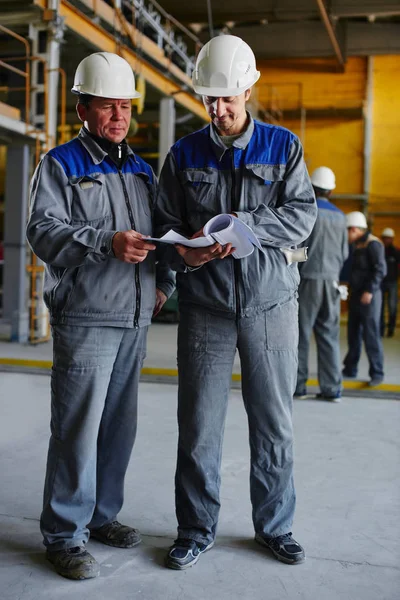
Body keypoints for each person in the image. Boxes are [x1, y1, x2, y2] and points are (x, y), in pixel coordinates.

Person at [155, 34, 317, 569]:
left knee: (273, 420)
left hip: (271, 305)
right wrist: (186, 256)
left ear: (249, 88)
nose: (218, 109)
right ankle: (196, 528)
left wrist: (249, 223)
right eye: (210, 99)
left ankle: (275, 527)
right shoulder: (183, 154)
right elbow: (165, 226)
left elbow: (301, 214)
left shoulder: (284, 147)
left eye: (227, 98)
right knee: (199, 424)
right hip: (206, 307)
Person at [26, 52, 175, 580]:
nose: (118, 116)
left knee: (118, 428)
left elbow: (158, 234)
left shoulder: (140, 168)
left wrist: (166, 283)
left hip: (134, 316)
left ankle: (101, 514)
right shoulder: (61, 163)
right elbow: (43, 230)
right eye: (107, 105)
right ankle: (64, 535)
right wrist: (104, 242)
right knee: (77, 428)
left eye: (125, 106)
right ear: (82, 107)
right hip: (87, 315)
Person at [294, 166, 348, 402]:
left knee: (301, 334)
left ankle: (298, 386)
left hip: (309, 281)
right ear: (331, 191)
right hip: (333, 282)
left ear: (312, 188)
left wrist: (288, 259)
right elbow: (345, 252)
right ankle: (332, 388)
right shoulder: (341, 217)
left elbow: (299, 250)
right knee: (329, 336)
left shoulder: (309, 212)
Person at [342, 212, 386, 386]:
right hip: (356, 295)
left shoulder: (373, 244)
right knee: (353, 334)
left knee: (371, 335)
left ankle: (377, 372)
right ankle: (350, 368)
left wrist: (369, 290)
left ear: (354, 229)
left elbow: (380, 270)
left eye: (347, 231)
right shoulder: (357, 245)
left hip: (370, 297)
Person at [380, 228, 400, 337]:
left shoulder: (396, 252)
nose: (387, 240)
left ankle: (391, 329)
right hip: (381, 283)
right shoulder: (379, 250)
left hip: (392, 283)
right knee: (380, 307)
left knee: (392, 307)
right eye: (385, 238)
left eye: (389, 238)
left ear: (392, 239)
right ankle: (381, 329)